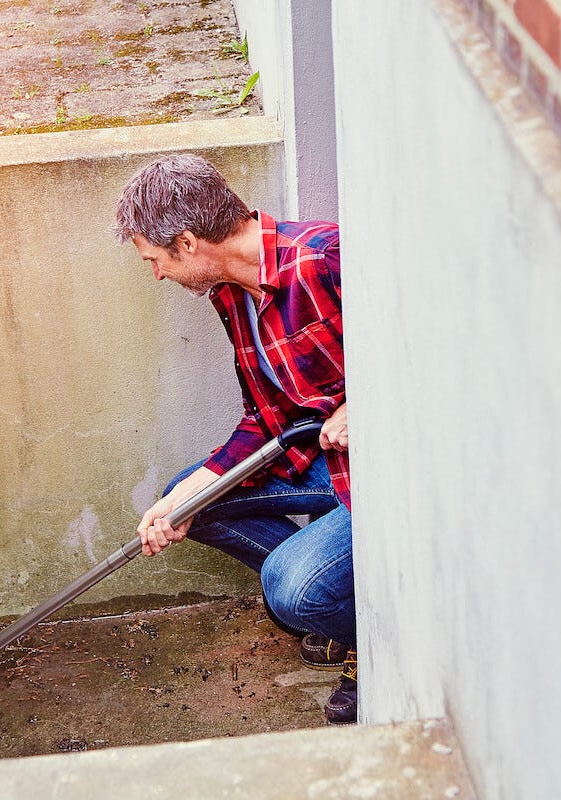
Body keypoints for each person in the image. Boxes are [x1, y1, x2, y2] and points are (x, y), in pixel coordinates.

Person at [114, 153, 357, 725]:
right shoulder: (231, 295)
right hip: (323, 462)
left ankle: (361, 635)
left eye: (155, 260)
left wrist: (367, 404)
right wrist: (180, 501)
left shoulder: (325, 257)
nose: (157, 275)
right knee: (188, 502)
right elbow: (264, 419)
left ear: (188, 243)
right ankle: (337, 601)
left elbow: (431, 346)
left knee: (290, 591)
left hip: (378, 477)